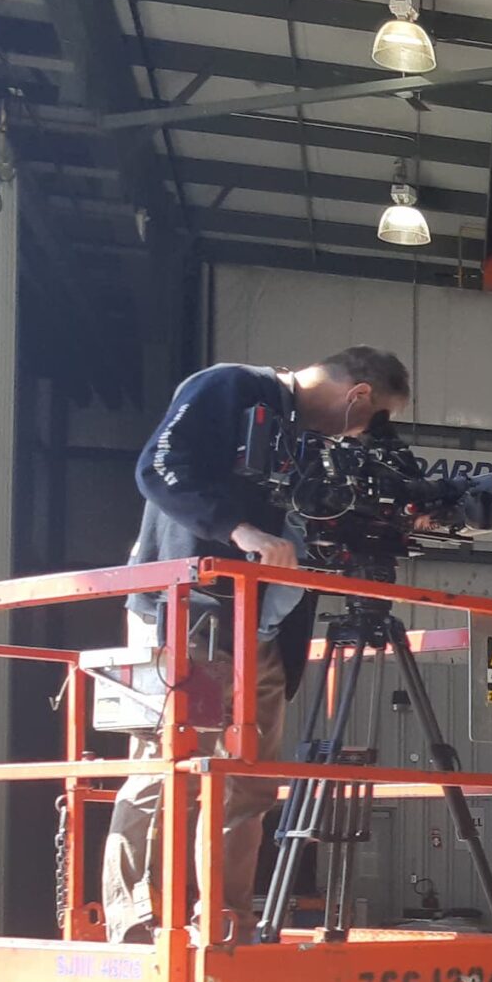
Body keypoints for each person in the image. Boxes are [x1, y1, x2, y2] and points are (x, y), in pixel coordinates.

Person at [102, 348, 412, 944]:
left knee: (250, 783)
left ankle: (225, 920)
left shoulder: (306, 441)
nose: (362, 434)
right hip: (189, 614)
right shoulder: (229, 387)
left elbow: (308, 527)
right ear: (359, 396)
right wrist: (237, 531)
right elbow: (158, 469)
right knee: (165, 769)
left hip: (267, 629)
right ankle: (131, 917)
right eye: (372, 420)